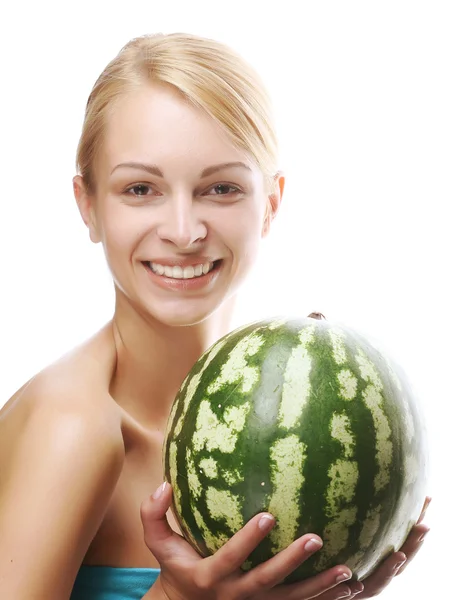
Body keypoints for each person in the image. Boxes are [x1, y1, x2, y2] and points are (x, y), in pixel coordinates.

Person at [0, 32, 429, 600]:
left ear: (271, 203)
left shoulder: (276, 429)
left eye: (221, 188)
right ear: (89, 205)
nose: (183, 231)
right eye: (140, 188)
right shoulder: (75, 427)